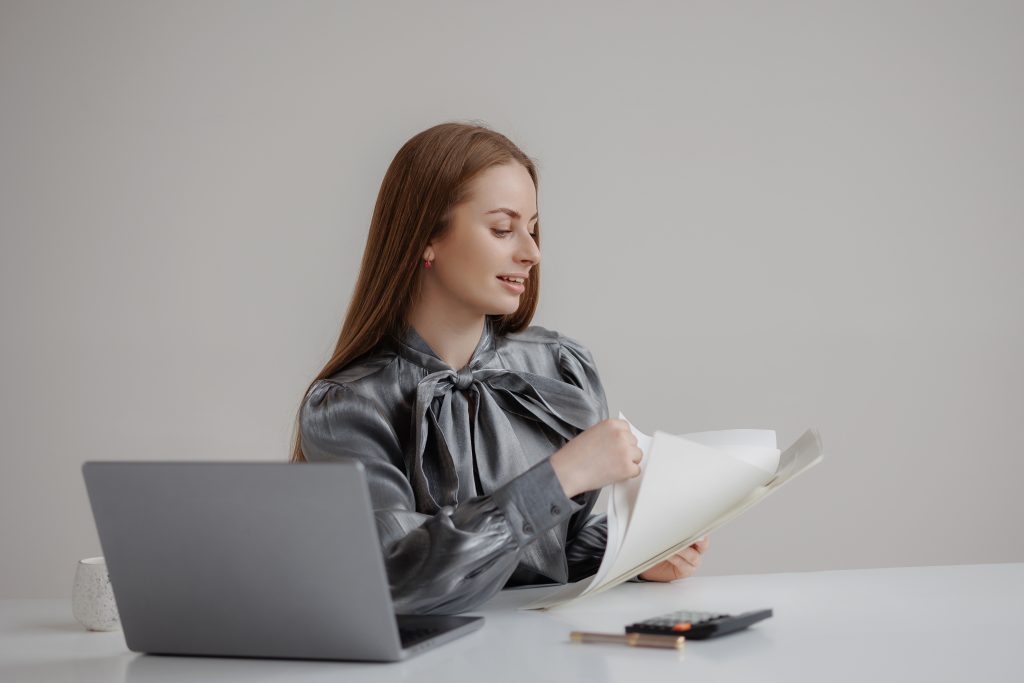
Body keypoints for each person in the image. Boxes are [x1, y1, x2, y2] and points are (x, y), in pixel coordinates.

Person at [290, 121, 710, 615]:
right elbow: (396, 576)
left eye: (532, 229)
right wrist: (558, 477)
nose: (532, 253)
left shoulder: (559, 369)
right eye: (503, 229)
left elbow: (542, 557)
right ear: (426, 236)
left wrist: (636, 552)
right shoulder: (349, 407)